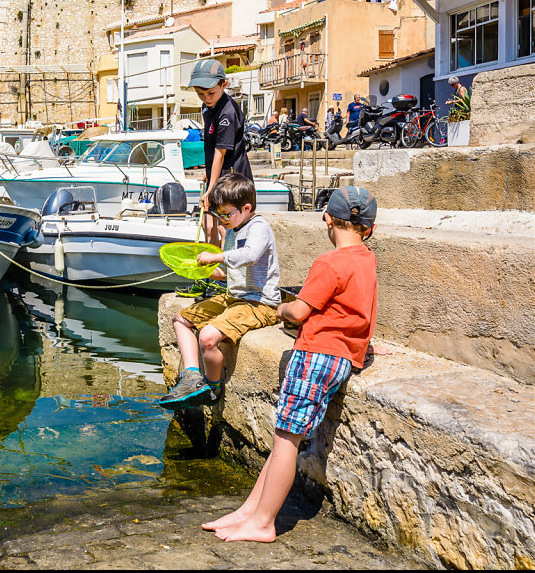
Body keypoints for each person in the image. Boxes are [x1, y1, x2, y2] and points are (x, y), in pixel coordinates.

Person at [203, 186, 387, 543]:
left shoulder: (328, 262)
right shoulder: (367, 258)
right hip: (343, 357)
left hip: (316, 356)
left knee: (285, 440)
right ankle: (250, 510)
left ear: (327, 218)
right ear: (371, 229)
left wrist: (282, 309)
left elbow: (300, 311)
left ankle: (264, 522)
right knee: (285, 438)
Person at [158, 173, 280, 410]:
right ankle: (192, 376)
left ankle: (212, 388)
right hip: (233, 297)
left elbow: (250, 255)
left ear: (246, 208)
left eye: (226, 214)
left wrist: (216, 255)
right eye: (219, 215)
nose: (222, 220)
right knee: (181, 319)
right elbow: (230, 270)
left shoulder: (259, 228)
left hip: (259, 303)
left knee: (207, 337)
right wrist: (206, 271)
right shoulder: (234, 230)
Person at [187, 59, 253, 248]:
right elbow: (211, 143)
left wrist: (210, 189)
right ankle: (212, 266)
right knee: (208, 225)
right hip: (217, 175)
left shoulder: (227, 113)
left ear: (224, 84)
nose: (206, 98)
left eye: (210, 93)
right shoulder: (208, 107)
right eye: (200, 94)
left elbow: (220, 152)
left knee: (226, 226)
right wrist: (209, 172)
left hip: (232, 178)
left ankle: (223, 267)